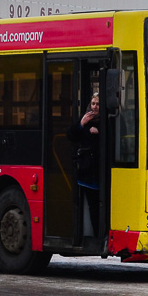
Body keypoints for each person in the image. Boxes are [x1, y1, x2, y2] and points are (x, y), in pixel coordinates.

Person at [67, 92, 101, 237]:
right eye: (93, 104)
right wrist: (82, 124)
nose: (95, 107)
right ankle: (94, 234)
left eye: (98, 104)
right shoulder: (85, 119)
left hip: (102, 170)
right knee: (91, 205)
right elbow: (71, 136)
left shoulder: (107, 120)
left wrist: (100, 132)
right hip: (87, 171)